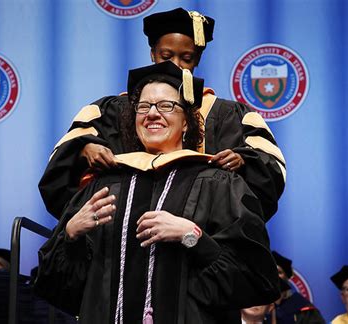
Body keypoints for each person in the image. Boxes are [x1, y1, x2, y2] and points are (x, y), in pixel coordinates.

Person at [33, 61, 280, 324]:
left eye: (166, 106)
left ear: (187, 122)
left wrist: (192, 237)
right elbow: (58, 288)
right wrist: (71, 236)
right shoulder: (105, 186)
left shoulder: (218, 183)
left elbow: (253, 280)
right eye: (143, 106)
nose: (152, 113)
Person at [38, 7, 286, 223]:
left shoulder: (228, 114)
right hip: (120, 234)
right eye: (166, 56)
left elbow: (269, 171)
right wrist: (85, 149)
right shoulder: (111, 110)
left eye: (186, 58)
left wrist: (242, 160)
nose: (175, 65)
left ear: (197, 59)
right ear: (152, 54)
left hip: (199, 236)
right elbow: (61, 169)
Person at [264, 251, 325, 324]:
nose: (275, 276)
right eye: (271, 271)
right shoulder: (258, 305)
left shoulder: (301, 305)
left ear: (287, 277)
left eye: (279, 272)